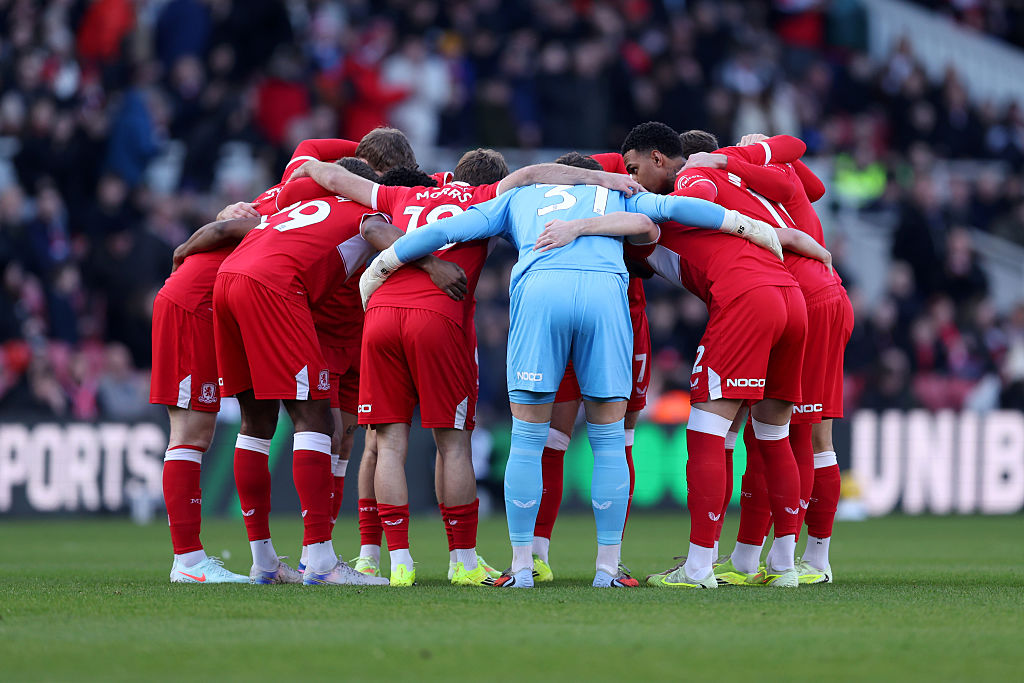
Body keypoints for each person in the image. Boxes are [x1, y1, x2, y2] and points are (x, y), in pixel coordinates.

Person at [358, 161, 780, 588]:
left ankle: (522, 567)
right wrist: (746, 226)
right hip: (604, 295)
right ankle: (607, 570)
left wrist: (384, 265)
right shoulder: (617, 191)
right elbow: (676, 208)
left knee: (527, 440)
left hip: (540, 291)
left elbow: (444, 231)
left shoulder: (518, 195)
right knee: (609, 440)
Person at [288, 149, 650, 586]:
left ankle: (393, 562)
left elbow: (357, 197)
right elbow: (537, 176)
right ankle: (468, 560)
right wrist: (602, 180)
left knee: (385, 445)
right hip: (445, 317)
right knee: (457, 444)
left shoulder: (402, 195)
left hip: (382, 314)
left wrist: (307, 167)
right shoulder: (492, 194)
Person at [545, 121, 827, 588]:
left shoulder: (663, 197)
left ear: (657, 159)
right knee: (773, 435)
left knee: (706, 433)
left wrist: (577, 225)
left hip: (745, 299)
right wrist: (800, 241)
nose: (630, 179)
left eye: (634, 169)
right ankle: (783, 566)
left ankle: (698, 567)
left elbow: (651, 218)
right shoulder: (722, 191)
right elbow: (792, 206)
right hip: (790, 297)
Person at [684, 132, 852, 583]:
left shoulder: (740, 177)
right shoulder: (767, 182)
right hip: (819, 294)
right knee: (776, 435)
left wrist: (730, 159)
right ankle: (755, 557)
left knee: (799, 435)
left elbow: (796, 155)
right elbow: (812, 185)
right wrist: (754, 158)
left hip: (805, 295)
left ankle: (800, 560)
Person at [150, 215, 256, 584]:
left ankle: (189, 559)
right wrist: (180, 252)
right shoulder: (284, 216)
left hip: (201, 309)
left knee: (197, 433)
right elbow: (223, 228)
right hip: (192, 308)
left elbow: (223, 225)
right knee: (189, 432)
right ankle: (188, 561)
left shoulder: (281, 210)